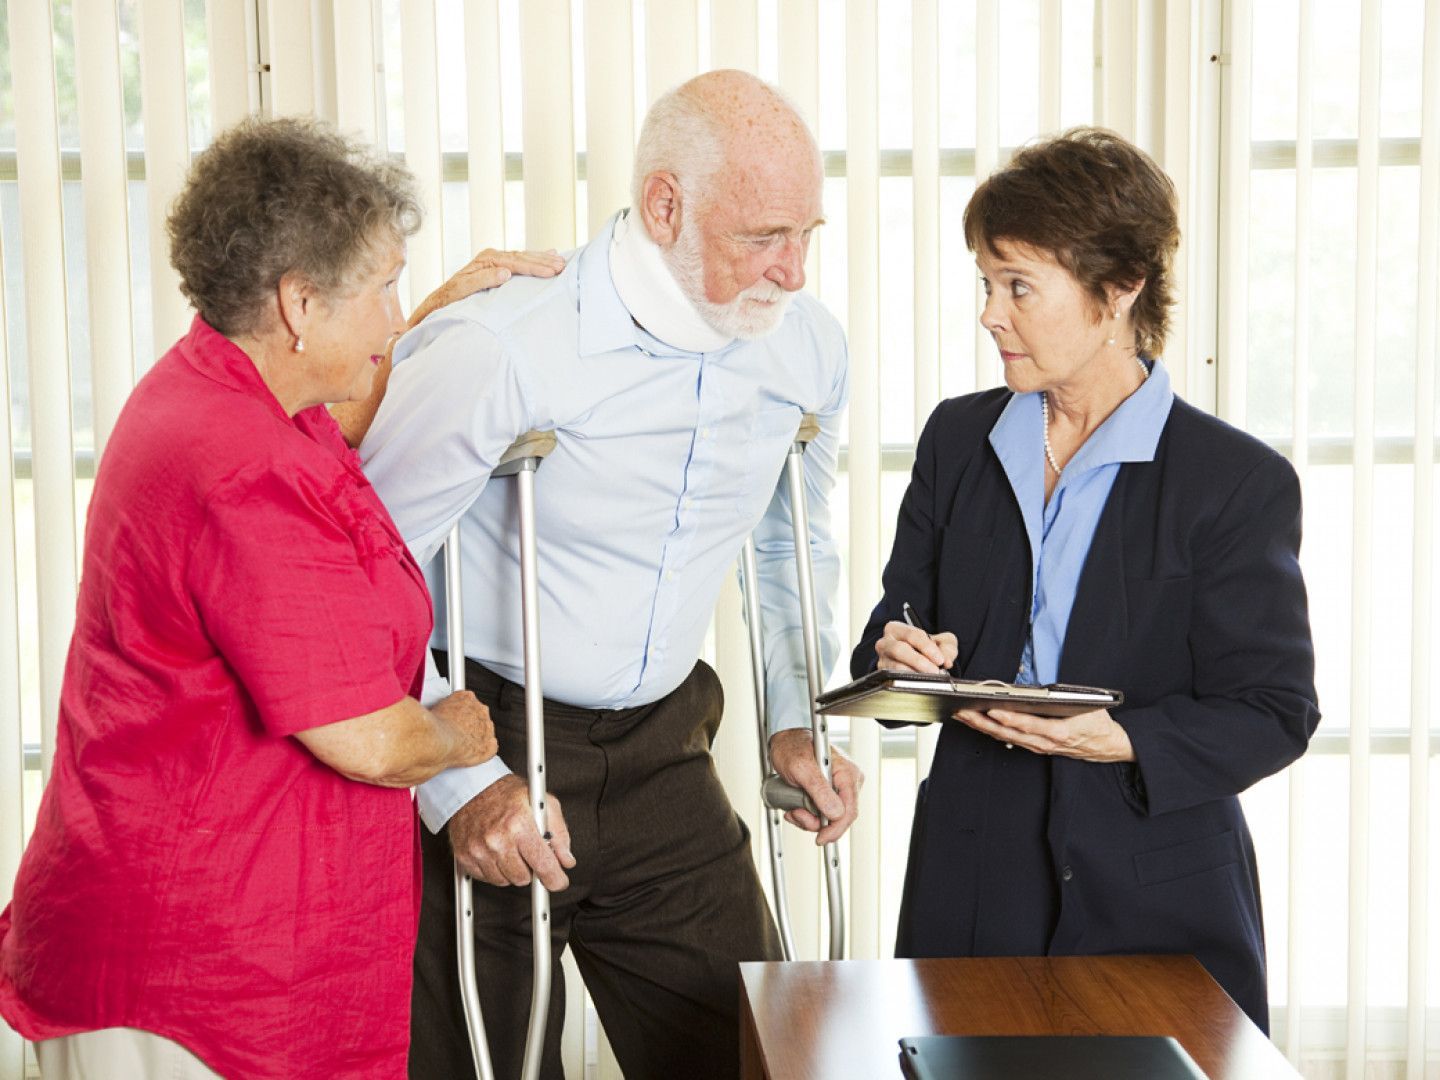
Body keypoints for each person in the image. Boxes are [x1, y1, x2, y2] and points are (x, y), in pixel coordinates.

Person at [0, 117, 561, 1079]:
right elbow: (372, 741)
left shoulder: (234, 388)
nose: (391, 318)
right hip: (202, 968)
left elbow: (337, 416)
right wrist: (465, 736)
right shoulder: (238, 465)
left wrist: (418, 323)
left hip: (215, 930)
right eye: (381, 288)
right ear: (299, 303)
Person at [353, 70, 862, 1079]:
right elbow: (362, 574)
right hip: (494, 729)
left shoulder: (804, 350)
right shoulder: (500, 346)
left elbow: (787, 545)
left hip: (667, 746)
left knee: (755, 1055)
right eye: (764, 236)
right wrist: (460, 784)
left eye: (808, 231)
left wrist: (797, 713)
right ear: (664, 204)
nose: (794, 270)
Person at [852, 128, 1319, 1034]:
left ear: (1119, 292)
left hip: (1155, 892)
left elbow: (1274, 709)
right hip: (970, 876)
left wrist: (1125, 740)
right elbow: (897, 618)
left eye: (1019, 286)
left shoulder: (1234, 481)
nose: (991, 313)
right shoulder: (958, 439)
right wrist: (904, 649)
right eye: (987, 284)